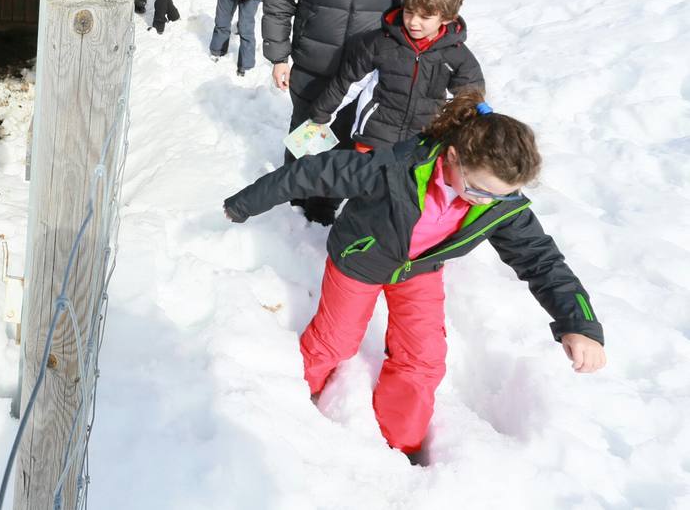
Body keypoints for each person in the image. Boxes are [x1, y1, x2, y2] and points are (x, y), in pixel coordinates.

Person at [223, 90, 607, 460]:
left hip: (419, 269)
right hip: (362, 260)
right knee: (336, 341)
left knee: (424, 358)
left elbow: (541, 259)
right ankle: (293, 405)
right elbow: (311, 173)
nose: (487, 202)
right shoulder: (392, 170)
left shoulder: (498, 205)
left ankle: (399, 444)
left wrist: (580, 323)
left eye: (503, 196)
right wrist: (242, 205)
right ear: (453, 158)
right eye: (480, 190)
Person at [263, 0, 425, 225]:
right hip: (312, 66)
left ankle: (324, 205)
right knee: (307, 131)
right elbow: (278, 1)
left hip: (364, 78)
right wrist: (279, 57)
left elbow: (418, 14)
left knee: (347, 140)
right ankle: (295, 196)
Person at [308, 0, 483, 151]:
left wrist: (473, 130)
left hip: (422, 140)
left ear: (447, 18)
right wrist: (321, 115)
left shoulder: (457, 55)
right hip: (374, 137)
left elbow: (469, 98)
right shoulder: (380, 43)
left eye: (425, 17)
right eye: (409, 12)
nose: (413, 22)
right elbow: (348, 83)